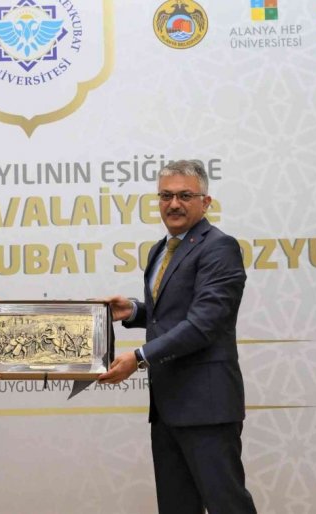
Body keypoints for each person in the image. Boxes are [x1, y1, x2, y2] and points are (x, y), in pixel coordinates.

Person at [98, 160, 256, 514]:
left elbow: (203, 325)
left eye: (185, 195)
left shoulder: (219, 247)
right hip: (167, 407)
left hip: (207, 407)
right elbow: (170, 316)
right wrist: (134, 311)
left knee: (228, 505)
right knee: (176, 507)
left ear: (206, 202)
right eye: (165, 196)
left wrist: (138, 357)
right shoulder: (161, 249)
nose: (173, 204)